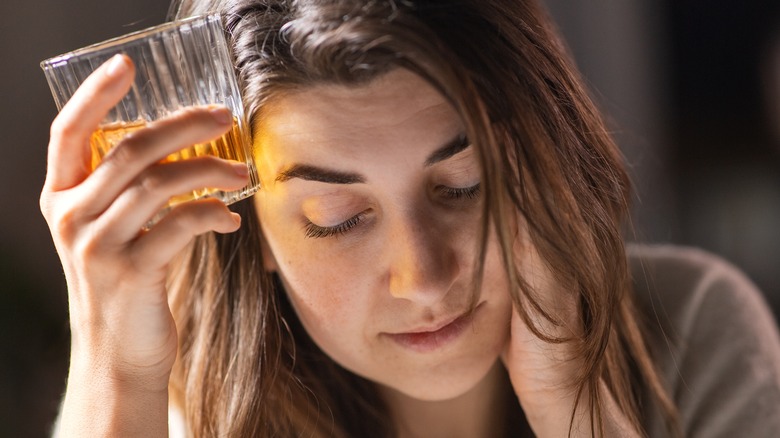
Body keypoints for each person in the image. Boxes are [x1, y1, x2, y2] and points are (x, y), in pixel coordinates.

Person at [42, 0, 780, 436]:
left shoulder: (694, 330)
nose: (424, 279)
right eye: (337, 218)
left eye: (462, 186)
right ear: (257, 233)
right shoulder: (176, 411)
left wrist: (574, 405)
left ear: (542, 163)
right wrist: (117, 370)